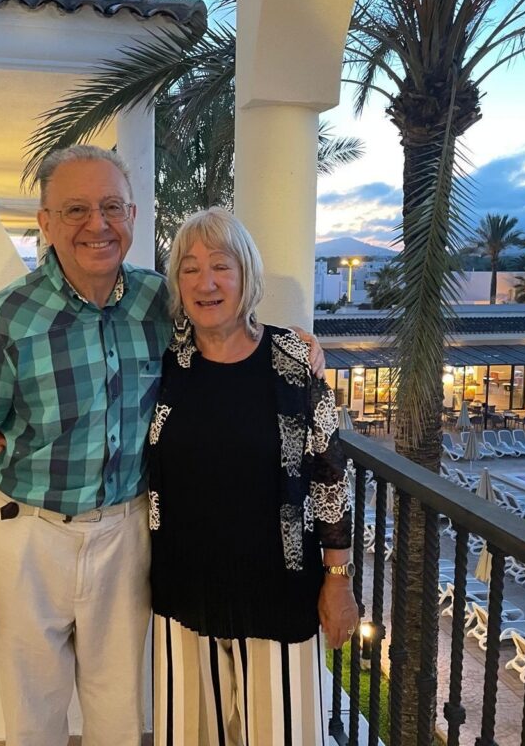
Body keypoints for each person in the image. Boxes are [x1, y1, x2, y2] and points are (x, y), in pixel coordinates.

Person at [0, 146, 325, 746]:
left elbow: (225, 319)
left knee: (120, 720)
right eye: (76, 209)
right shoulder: (2, 324)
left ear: (134, 216)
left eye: (112, 207)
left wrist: (293, 342)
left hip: (125, 535)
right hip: (27, 539)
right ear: (45, 222)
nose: (98, 224)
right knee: (32, 722)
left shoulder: (158, 305)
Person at [146, 208, 358, 743]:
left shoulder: (292, 359)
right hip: (184, 589)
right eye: (189, 269)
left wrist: (337, 580)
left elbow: (329, 477)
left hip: (279, 591)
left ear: (247, 276)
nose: (206, 282)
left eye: (221, 266)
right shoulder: (164, 360)